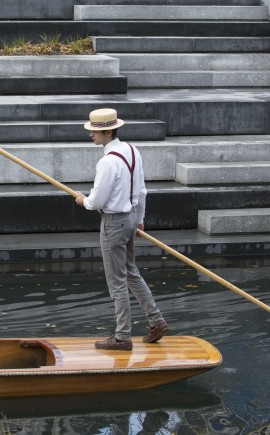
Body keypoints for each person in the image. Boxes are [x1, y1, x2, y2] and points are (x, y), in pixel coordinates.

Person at [74, 108, 169, 351]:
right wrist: (139, 220)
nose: (91, 135)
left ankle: (122, 336)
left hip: (114, 223)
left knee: (117, 281)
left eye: (95, 132)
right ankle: (156, 320)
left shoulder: (107, 162)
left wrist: (82, 200)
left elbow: (97, 202)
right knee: (130, 273)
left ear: (107, 131)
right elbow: (142, 191)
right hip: (129, 219)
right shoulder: (132, 151)